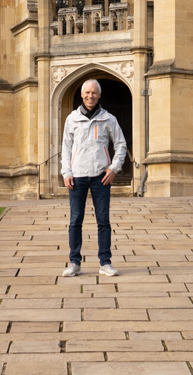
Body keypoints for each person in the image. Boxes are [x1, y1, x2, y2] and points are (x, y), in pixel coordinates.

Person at [61, 78, 127, 277]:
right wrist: (67, 172)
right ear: (81, 95)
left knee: (103, 221)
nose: (90, 96)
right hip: (77, 176)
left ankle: (105, 263)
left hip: (101, 177)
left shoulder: (109, 119)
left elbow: (121, 144)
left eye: (94, 93)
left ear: (99, 95)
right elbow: (65, 147)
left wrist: (114, 168)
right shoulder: (71, 119)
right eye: (87, 93)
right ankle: (74, 263)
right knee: (75, 221)